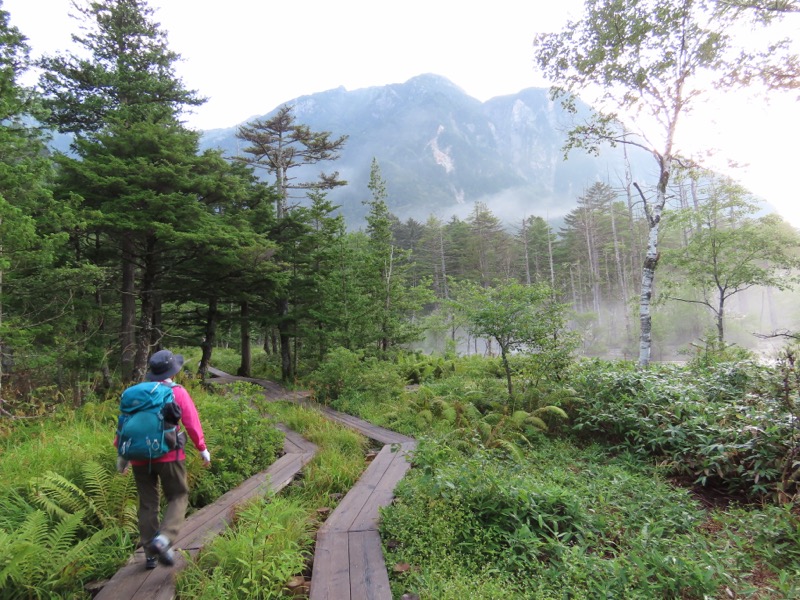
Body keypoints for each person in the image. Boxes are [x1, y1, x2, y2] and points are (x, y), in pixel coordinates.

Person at [116, 349, 211, 570]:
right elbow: (191, 422)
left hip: (139, 457)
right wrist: (202, 448)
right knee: (178, 495)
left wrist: (122, 456)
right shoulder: (177, 392)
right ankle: (164, 539)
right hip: (170, 455)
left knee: (148, 503)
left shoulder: (135, 393)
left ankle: (150, 552)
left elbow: (124, 426)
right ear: (172, 372)